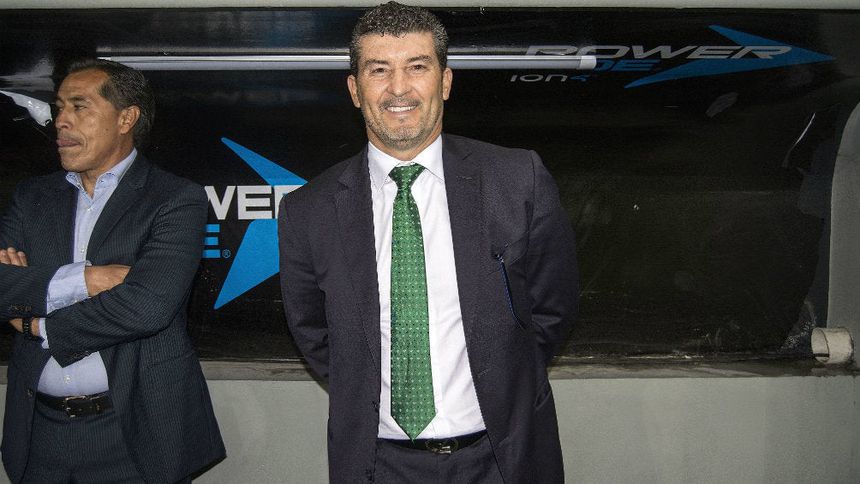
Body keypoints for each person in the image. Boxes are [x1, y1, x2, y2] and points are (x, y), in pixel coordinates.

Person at [278, 2, 578, 483]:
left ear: (445, 81)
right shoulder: (308, 210)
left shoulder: (518, 179)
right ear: (355, 89)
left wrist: (507, 379)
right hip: (376, 465)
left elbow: (551, 310)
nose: (399, 88)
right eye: (379, 70)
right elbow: (314, 334)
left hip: (502, 457)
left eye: (417, 67)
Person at [0, 59, 225, 483]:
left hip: (134, 436)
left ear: (126, 118)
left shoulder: (174, 198)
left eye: (79, 106)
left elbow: (147, 307)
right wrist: (87, 280)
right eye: (60, 107)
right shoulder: (32, 197)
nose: (60, 121)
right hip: (37, 434)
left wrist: (37, 324)